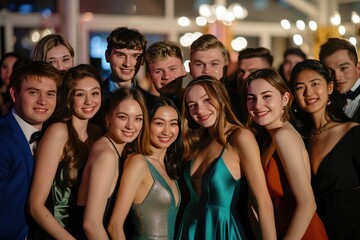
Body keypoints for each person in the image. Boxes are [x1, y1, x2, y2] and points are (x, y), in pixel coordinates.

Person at [177, 76, 276, 240]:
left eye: (207, 100)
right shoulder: (197, 142)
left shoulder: (240, 137)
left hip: (222, 230)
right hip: (190, 230)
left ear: (221, 99)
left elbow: (263, 202)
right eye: (192, 105)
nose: (200, 110)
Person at [245, 68, 328, 239]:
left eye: (266, 96)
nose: (258, 105)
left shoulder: (284, 136)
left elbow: (307, 204)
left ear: (285, 98)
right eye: (251, 98)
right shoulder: (270, 139)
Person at [28, 64, 103, 239]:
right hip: (56, 233)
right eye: (80, 94)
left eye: (95, 93)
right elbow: (35, 205)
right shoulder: (58, 132)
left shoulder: (97, 132)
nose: (89, 101)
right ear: (68, 98)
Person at [290, 59, 360, 240]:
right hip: (318, 232)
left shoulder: (351, 132)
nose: (308, 92)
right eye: (300, 87)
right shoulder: (300, 139)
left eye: (315, 84)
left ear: (330, 88)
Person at [73, 87, 150, 239]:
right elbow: (91, 224)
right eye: (123, 117)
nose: (131, 125)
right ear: (108, 117)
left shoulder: (114, 149)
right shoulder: (106, 155)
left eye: (138, 118)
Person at [0, 61, 61, 239]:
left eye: (50, 94)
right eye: (33, 92)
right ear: (14, 93)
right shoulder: (3, 140)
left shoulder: (49, 137)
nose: (43, 101)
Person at [108, 97, 183, 240]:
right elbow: (114, 226)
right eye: (159, 123)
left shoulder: (167, 165)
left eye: (173, 123)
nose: (167, 131)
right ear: (146, 124)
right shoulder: (138, 162)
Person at [319, 37, 360, 122]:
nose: (337, 77)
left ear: (358, 68)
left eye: (343, 68)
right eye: (330, 71)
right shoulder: (326, 100)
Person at [143, 40, 187, 111]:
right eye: (158, 71)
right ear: (150, 76)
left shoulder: (200, 106)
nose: (166, 76)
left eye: (172, 69)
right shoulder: (144, 111)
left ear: (184, 70)